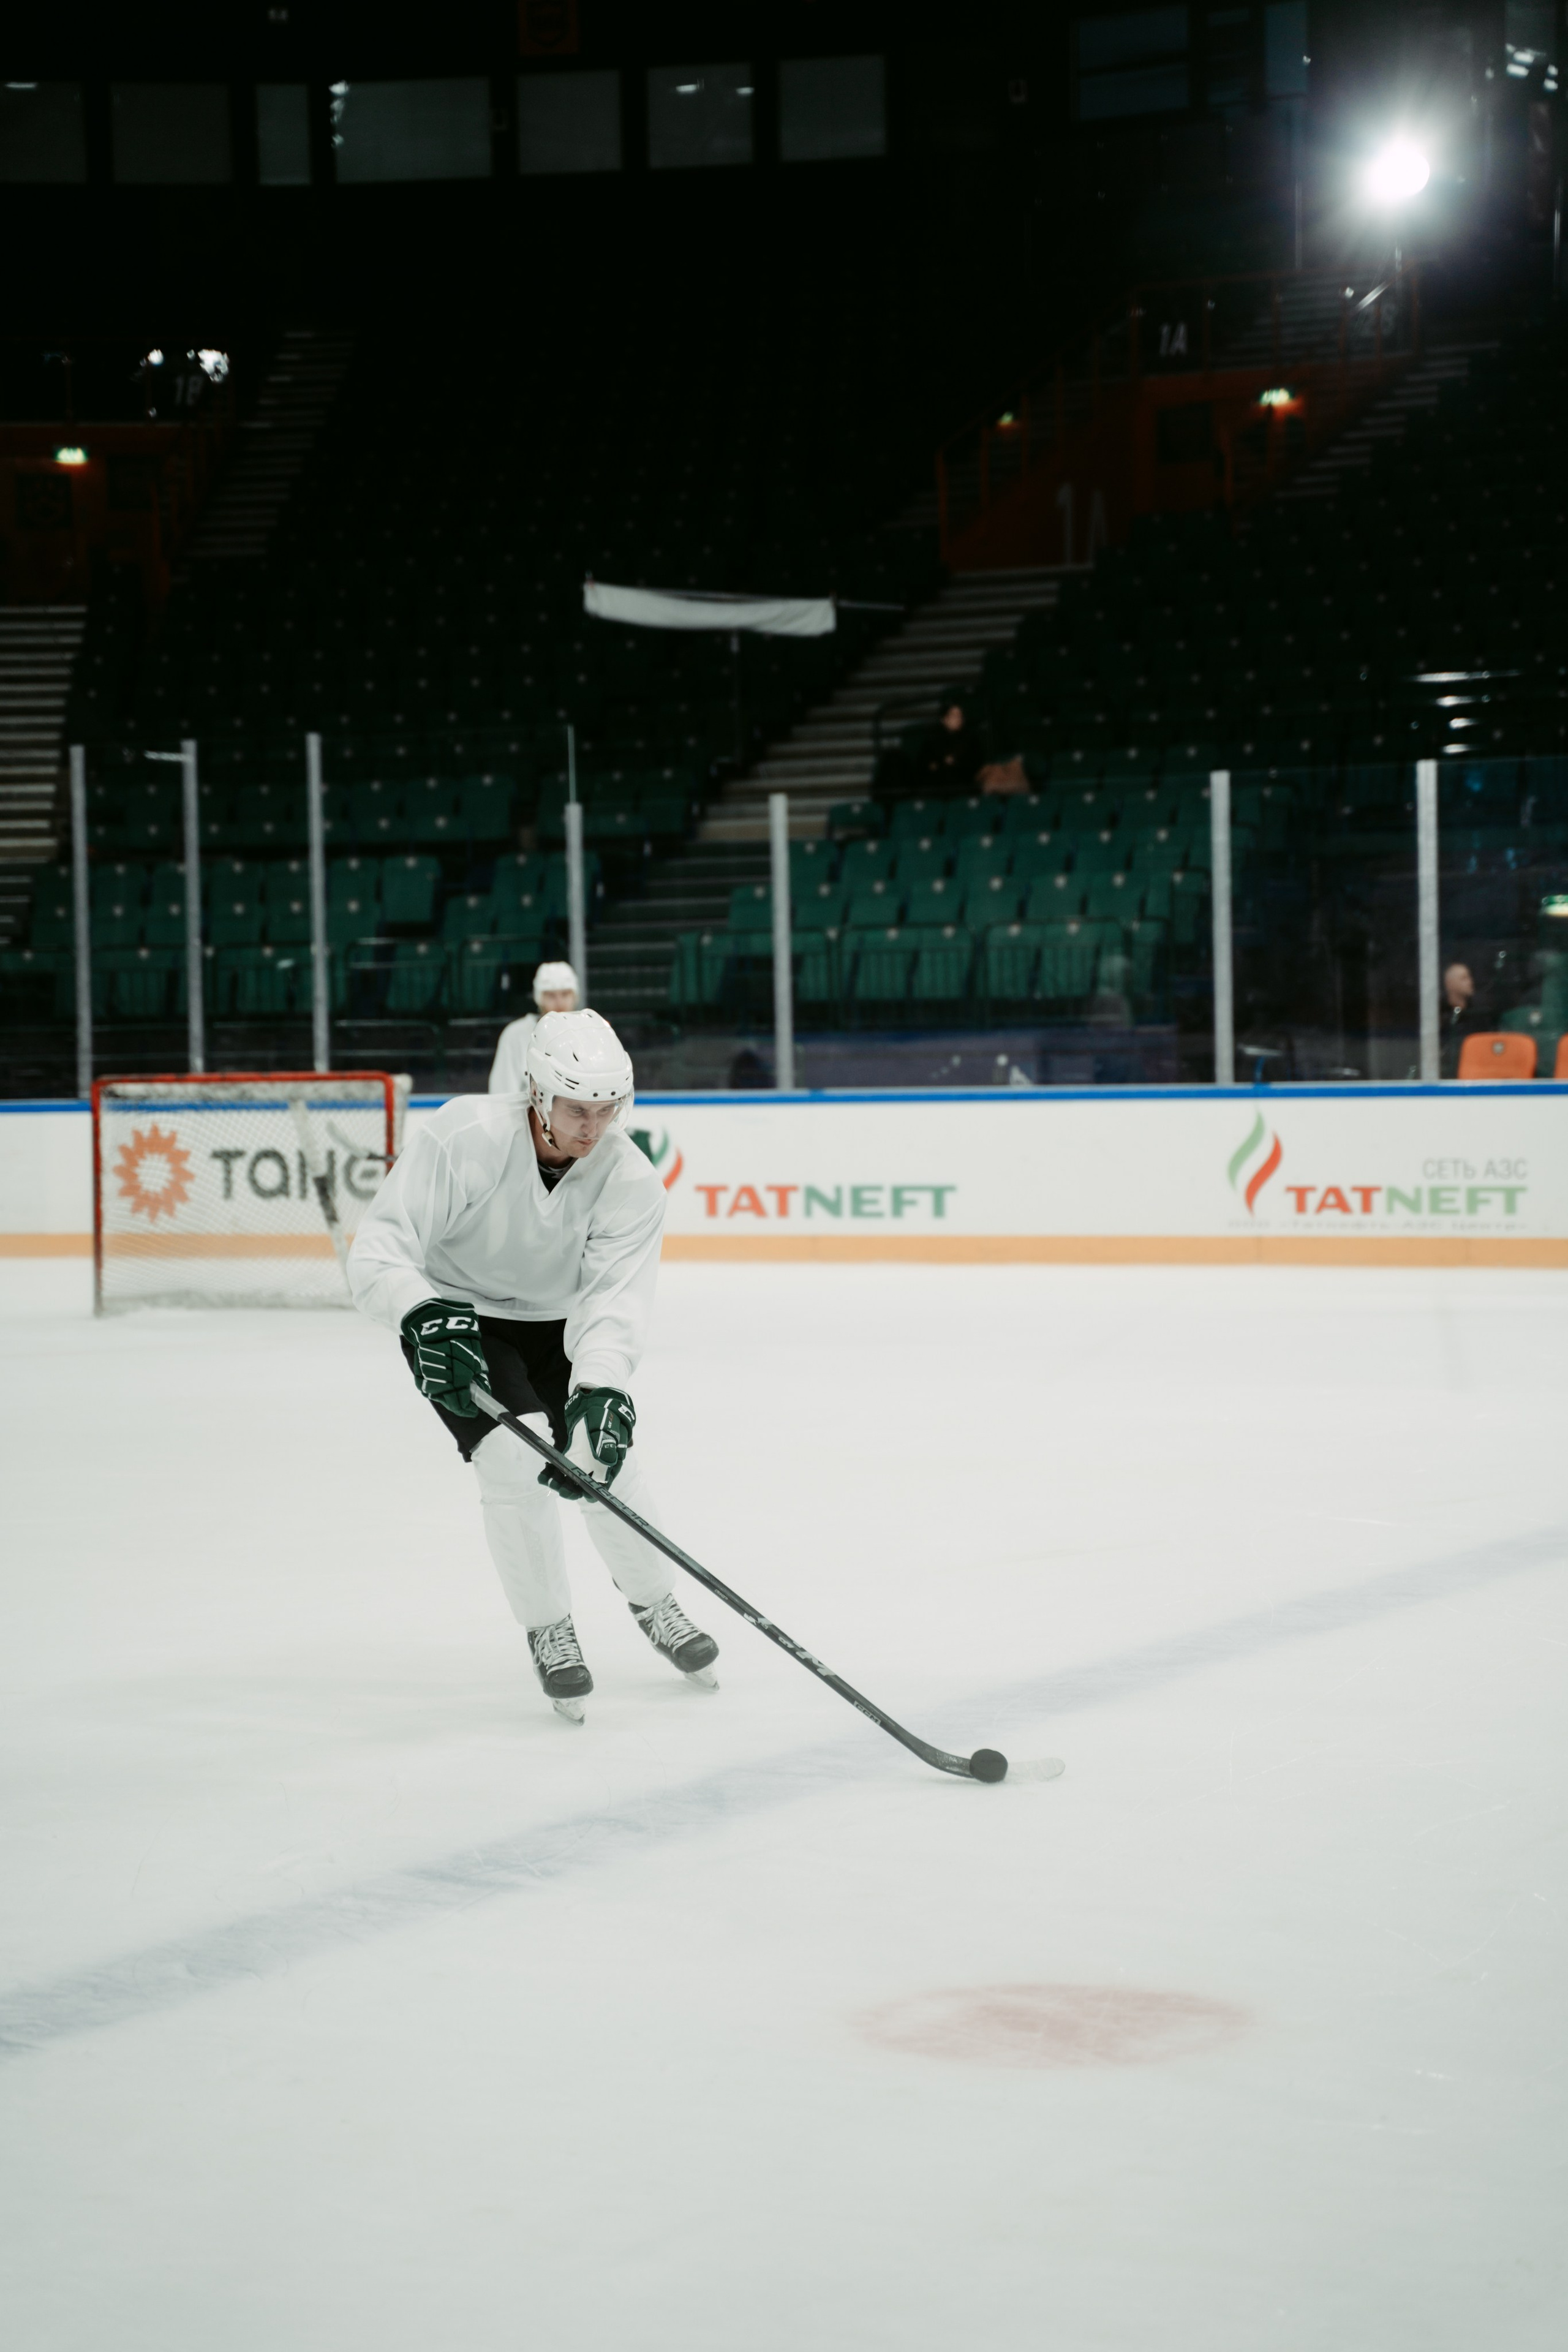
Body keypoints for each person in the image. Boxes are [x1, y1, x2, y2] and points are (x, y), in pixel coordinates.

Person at [349, 1008, 718, 1722]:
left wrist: (603, 1387)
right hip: (458, 1321)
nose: (593, 1126)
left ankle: (654, 1602)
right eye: (578, 1108)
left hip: (557, 1322)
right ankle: (550, 1627)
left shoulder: (630, 1178)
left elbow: (614, 1300)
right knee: (513, 1460)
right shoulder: (463, 1135)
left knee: (600, 1454)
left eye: (608, 1109)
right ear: (537, 1092)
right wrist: (417, 1311)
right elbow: (381, 1248)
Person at [488, 960, 578, 1094]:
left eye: (565, 994)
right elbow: (502, 1090)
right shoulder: (515, 1034)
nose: (559, 1002)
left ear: (574, 996)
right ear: (539, 997)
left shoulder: (590, 1033)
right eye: (551, 995)